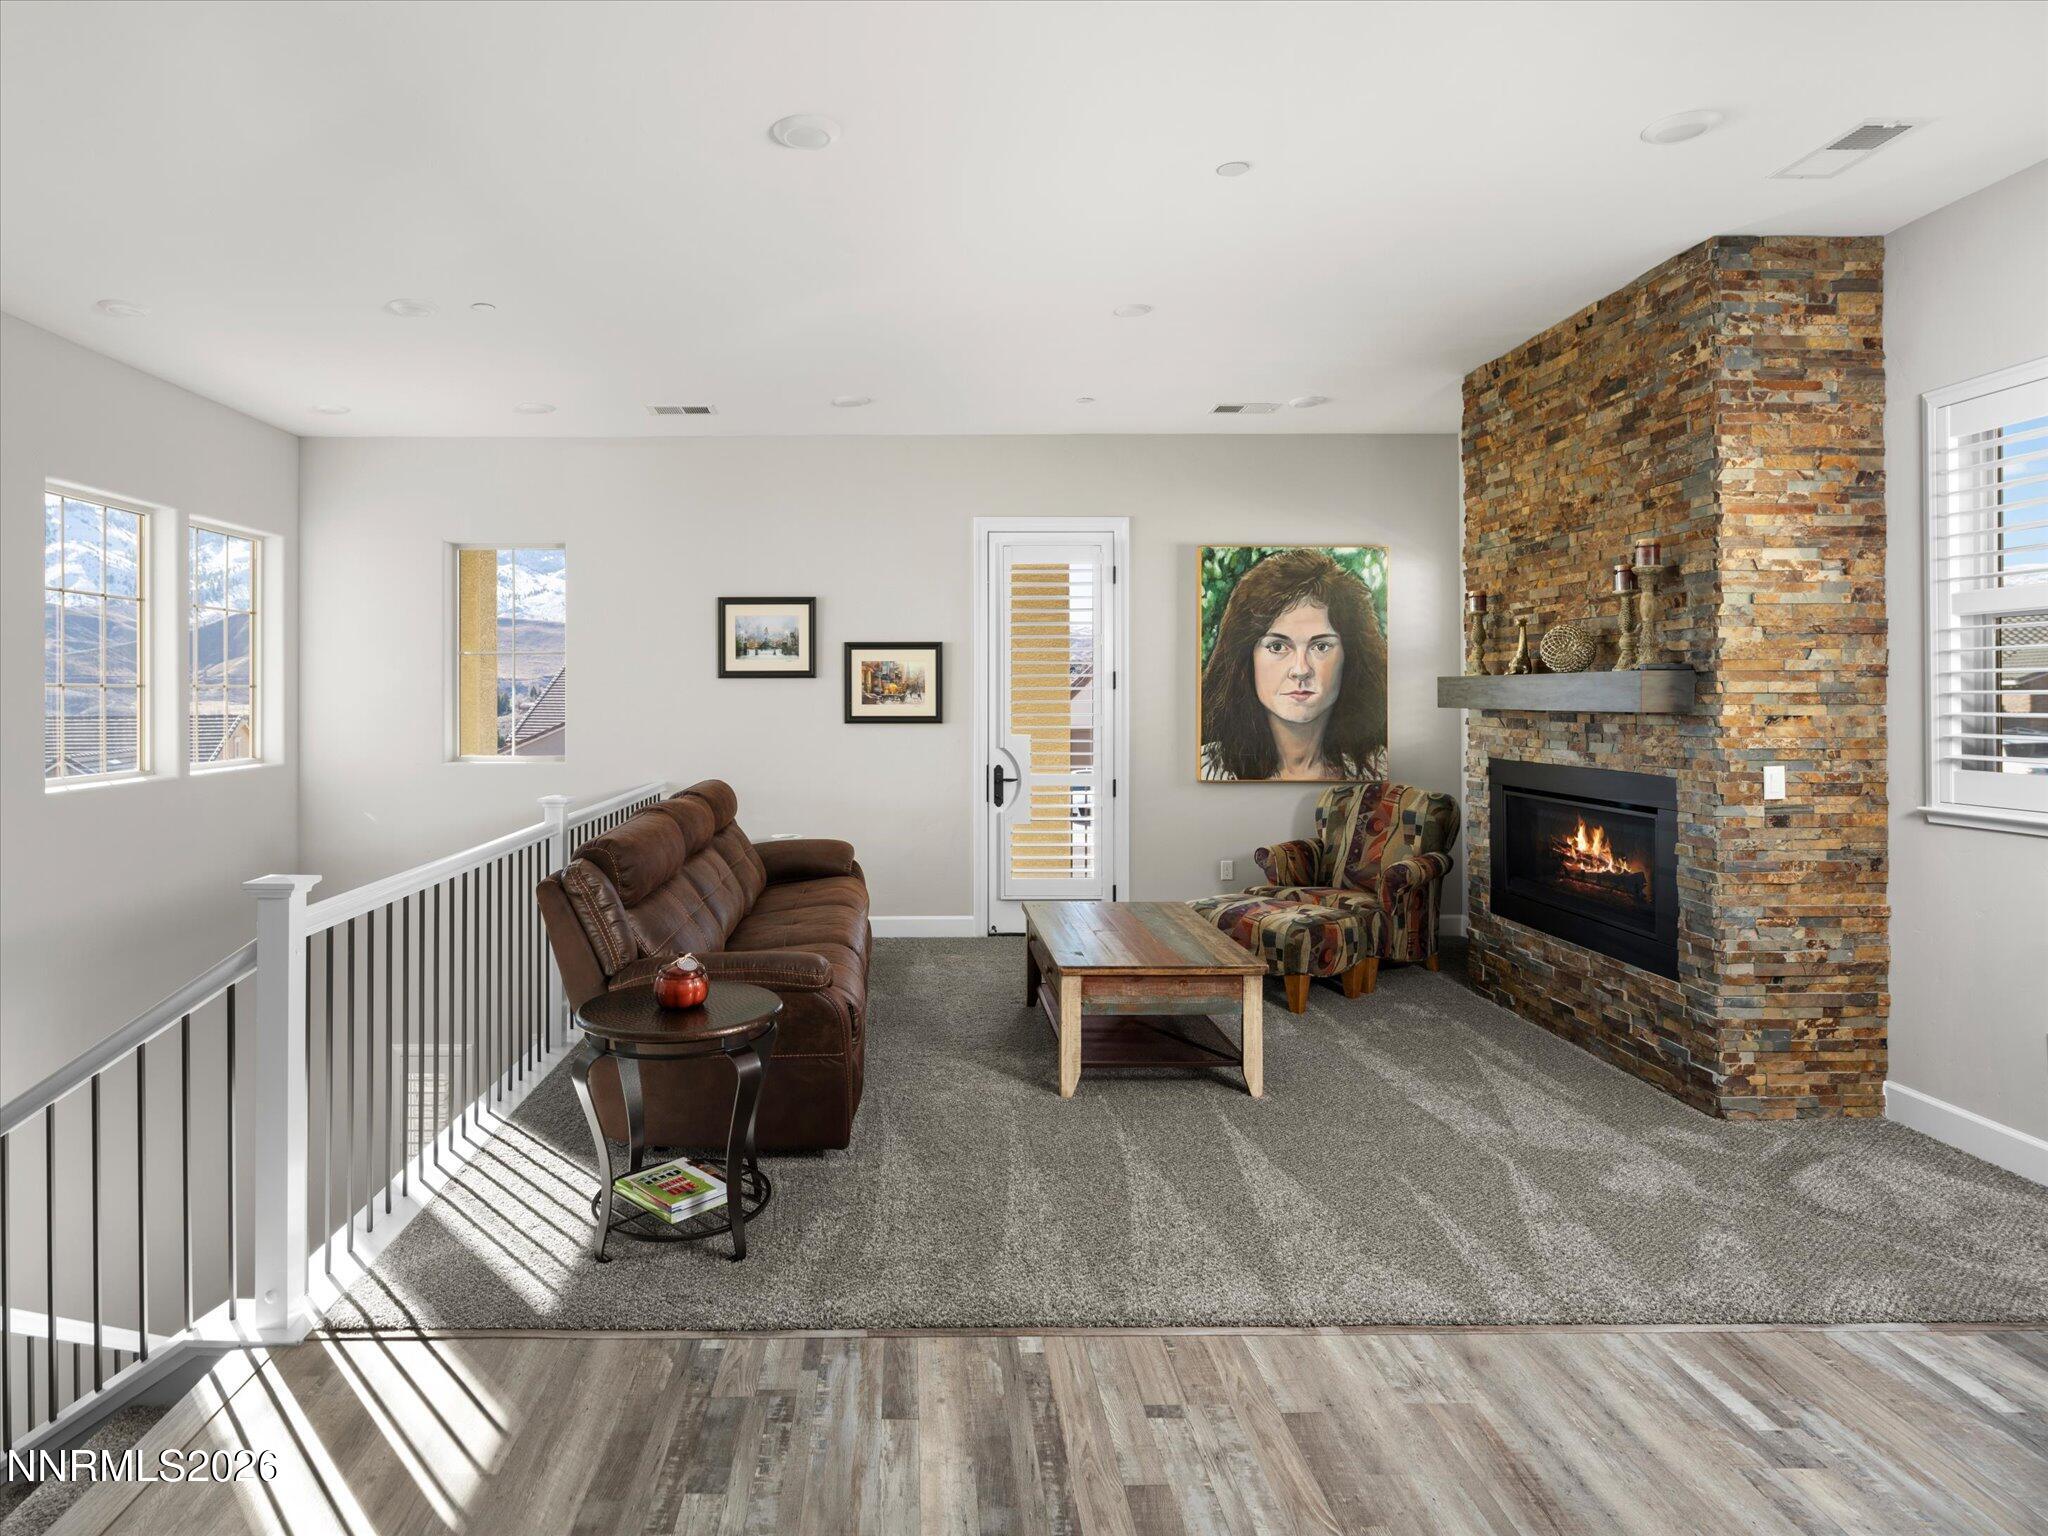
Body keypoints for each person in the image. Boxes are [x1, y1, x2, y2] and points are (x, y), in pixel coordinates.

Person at [1199, 548, 1388, 781]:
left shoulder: (1381, 770)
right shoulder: (1207, 770)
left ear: (1350, 656)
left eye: (1320, 647)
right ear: (1247, 658)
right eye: (1277, 647)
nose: (1301, 670)